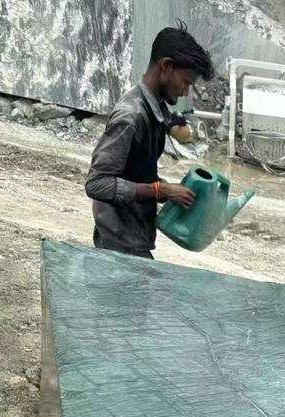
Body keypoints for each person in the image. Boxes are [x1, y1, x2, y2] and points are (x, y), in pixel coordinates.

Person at [85, 23, 214, 258]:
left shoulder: (155, 110)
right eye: (186, 82)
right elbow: (97, 184)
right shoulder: (131, 116)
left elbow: (135, 173)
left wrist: (168, 191)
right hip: (118, 244)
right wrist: (159, 190)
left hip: (134, 238)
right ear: (166, 66)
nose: (185, 91)